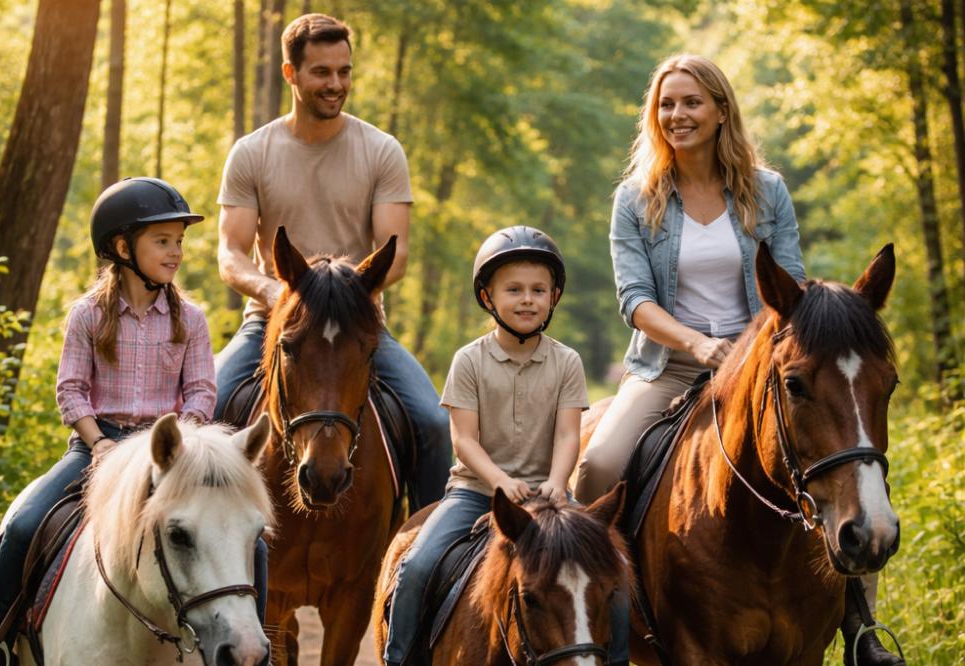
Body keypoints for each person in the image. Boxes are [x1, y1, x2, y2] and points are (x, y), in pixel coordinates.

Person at [574, 54, 901, 666]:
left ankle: (860, 626)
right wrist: (697, 344)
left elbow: (792, 283)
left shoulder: (766, 190)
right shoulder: (636, 200)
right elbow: (635, 299)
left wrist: (770, 343)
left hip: (767, 365)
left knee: (847, 460)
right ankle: (605, 632)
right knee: (596, 466)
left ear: (721, 110)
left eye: (692, 102)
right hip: (671, 364)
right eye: (666, 104)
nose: (678, 115)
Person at [0, 178, 217, 666]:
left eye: (179, 242)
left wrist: (181, 440)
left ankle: (248, 647)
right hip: (97, 447)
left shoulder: (191, 319)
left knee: (247, 541)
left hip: (169, 453)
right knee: (22, 523)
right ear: (123, 247)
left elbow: (203, 391)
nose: (175, 253)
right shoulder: (87, 316)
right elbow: (72, 391)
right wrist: (99, 443)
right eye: (162, 241)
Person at [215, 12, 451, 511]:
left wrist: (344, 296)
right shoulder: (251, 153)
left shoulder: (382, 151)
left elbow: (396, 252)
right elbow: (230, 252)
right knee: (204, 412)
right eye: (322, 72)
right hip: (274, 325)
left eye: (344, 71)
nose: (336, 84)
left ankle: (428, 565)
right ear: (290, 74)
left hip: (357, 326)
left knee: (433, 424)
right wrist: (276, 293)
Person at [382, 226, 629, 666]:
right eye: (514, 290)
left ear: (554, 297)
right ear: (487, 298)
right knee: (417, 565)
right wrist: (499, 481)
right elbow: (464, 439)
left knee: (614, 574)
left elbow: (569, 434)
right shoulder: (469, 361)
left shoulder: (566, 361)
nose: (527, 299)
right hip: (476, 492)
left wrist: (556, 481)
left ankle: (613, 658)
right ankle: (399, 657)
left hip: (549, 499)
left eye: (538, 289)